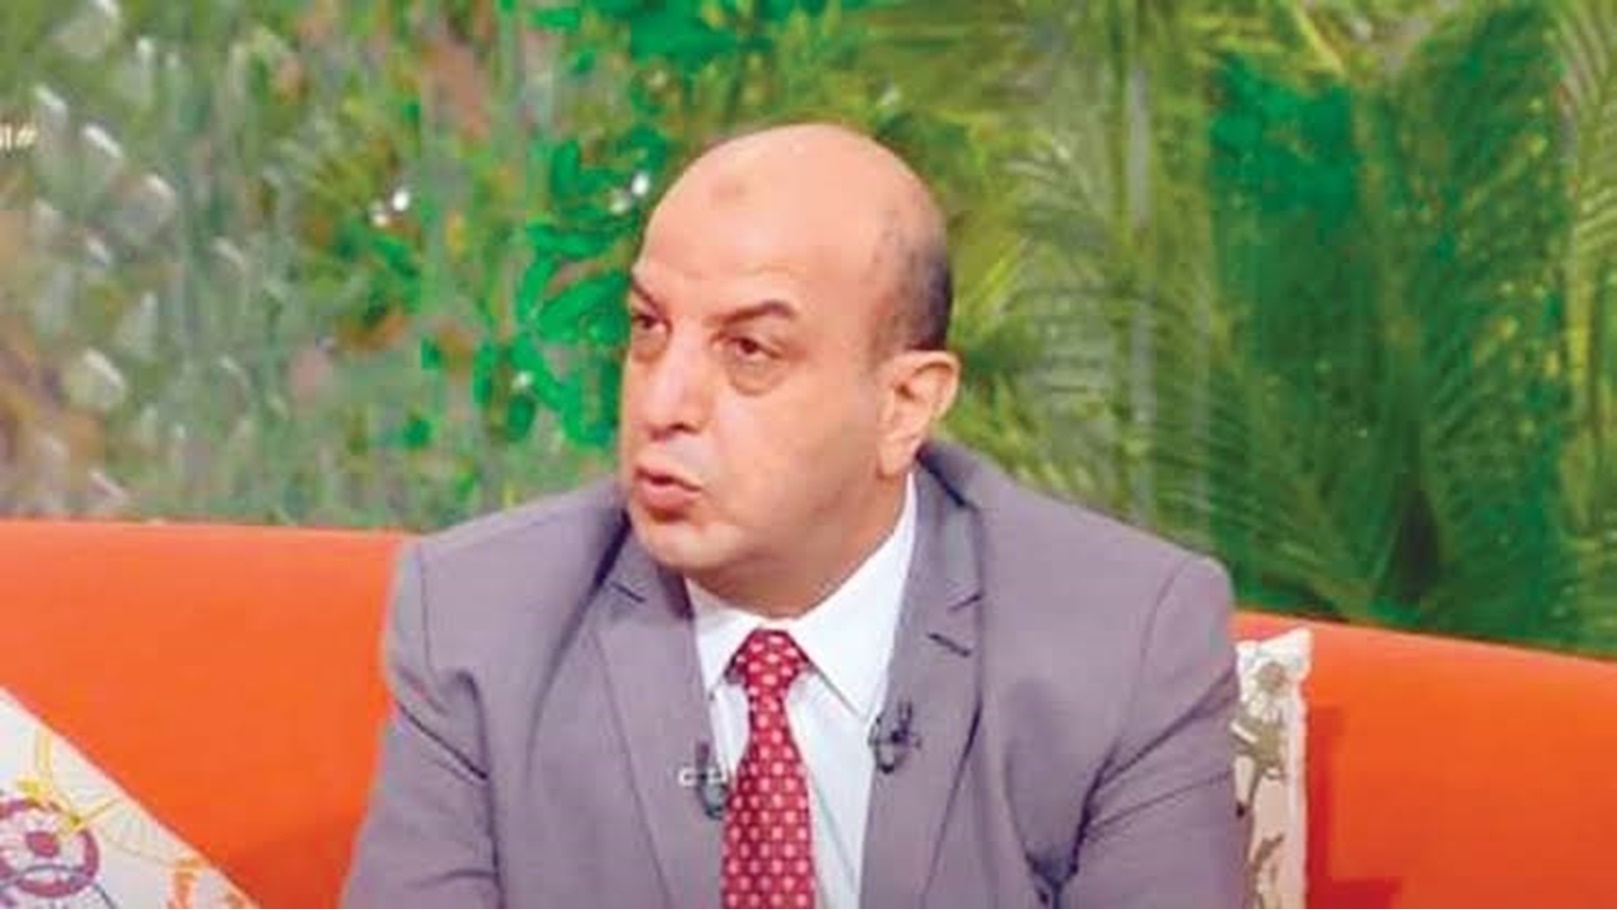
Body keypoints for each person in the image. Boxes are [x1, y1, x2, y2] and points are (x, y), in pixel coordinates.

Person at [343, 122, 1242, 908]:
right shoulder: (479, 624)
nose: (663, 402)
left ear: (903, 406)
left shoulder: (1123, 643)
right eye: (648, 328)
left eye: (749, 350)